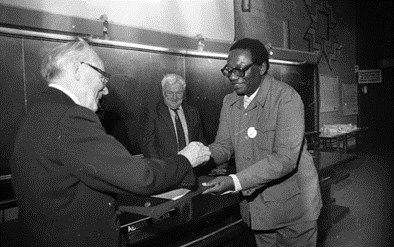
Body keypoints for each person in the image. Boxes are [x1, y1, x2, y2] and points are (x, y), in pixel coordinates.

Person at [10, 38, 211, 247]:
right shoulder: (72, 117)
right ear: (79, 69)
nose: (106, 90)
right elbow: (141, 177)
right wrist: (186, 159)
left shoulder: (40, 110)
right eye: (103, 77)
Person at [202, 38, 322, 246]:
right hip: (259, 211)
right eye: (228, 70)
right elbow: (223, 146)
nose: (232, 77)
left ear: (262, 67)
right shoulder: (230, 102)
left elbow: (284, 159)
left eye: (240, 70)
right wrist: (196, 157)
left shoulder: (286, 98)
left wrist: (235, 182)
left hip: (294, 211)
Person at [140, 73, 207, 159]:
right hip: (164, 168)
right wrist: (162, 169)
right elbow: (148, 147)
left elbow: (201, 141)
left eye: (179, 92)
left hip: (192, 168)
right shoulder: (152, 113)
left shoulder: (193, 112)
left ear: (184, 93)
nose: (174, 97)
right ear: (163, 93)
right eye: (170, 93)